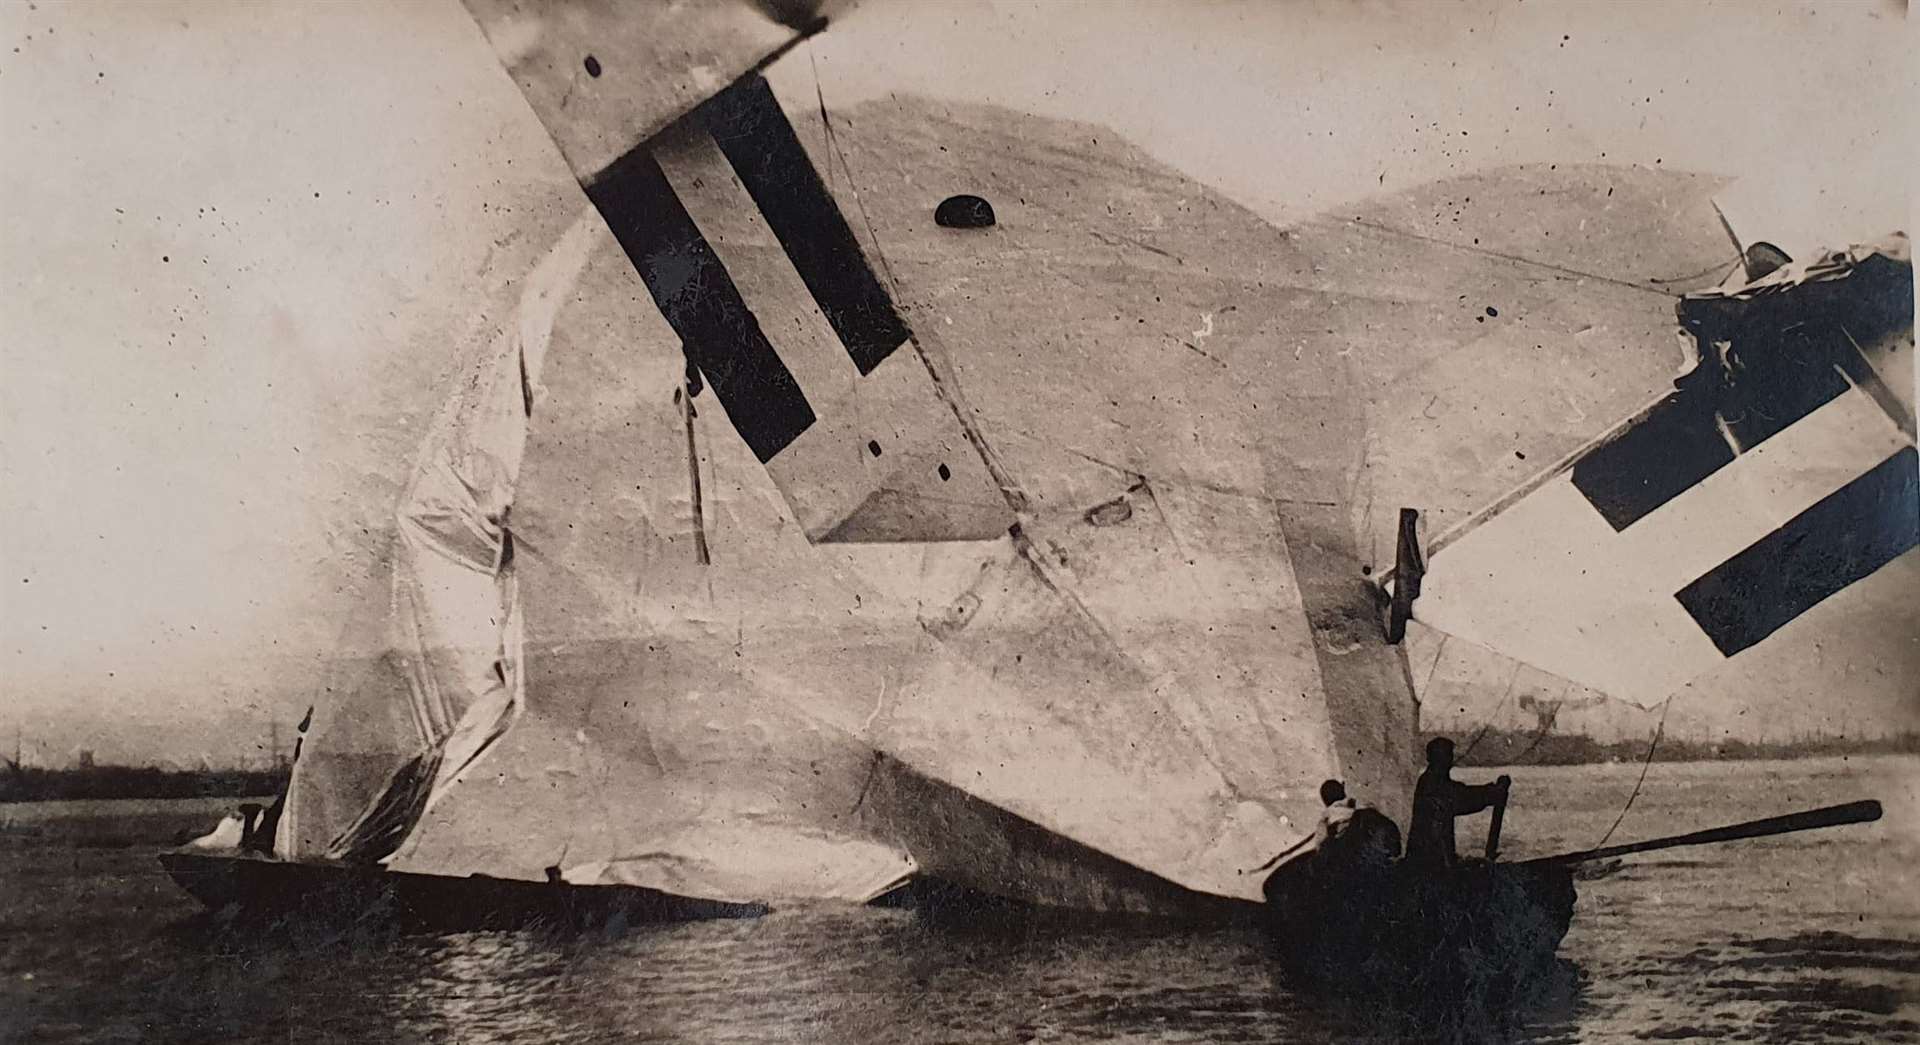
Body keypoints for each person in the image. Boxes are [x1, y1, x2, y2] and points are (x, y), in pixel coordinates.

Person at [1406, 737, 1509, 870]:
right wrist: (1492, 793)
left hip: (1433, 862)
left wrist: (1491, 792)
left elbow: (1458, 793)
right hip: (1429, 866)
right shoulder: (1431, 785)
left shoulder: (1430, 781)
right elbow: (1460, 797)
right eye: (1444, 757)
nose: (1447, 762)